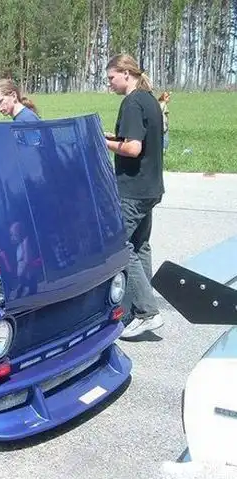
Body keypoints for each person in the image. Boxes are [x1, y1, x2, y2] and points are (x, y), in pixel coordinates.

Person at [104, 53, 165, 340]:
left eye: (111, 78)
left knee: (120, 246)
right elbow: (135, 140)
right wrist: (114, 138)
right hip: (150, 187)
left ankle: (147, 312)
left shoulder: (132, 102)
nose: (109, 84)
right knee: (140, 246)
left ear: (126, 73)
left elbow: (133, 148)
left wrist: (102, 142)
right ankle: (141, 306)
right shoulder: (149, 99)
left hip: (132, 189)